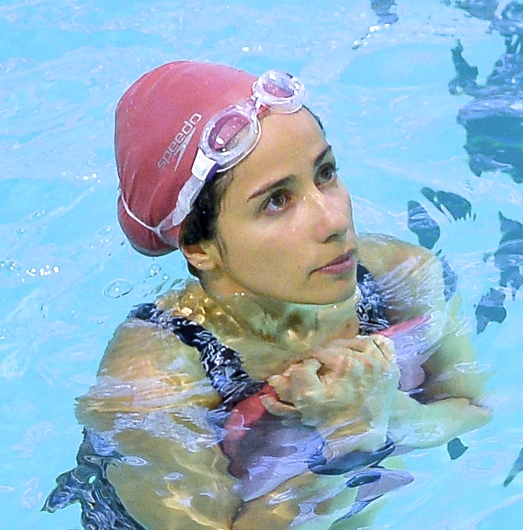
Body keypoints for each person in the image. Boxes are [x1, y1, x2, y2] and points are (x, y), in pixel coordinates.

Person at [44, 61, 490, 529]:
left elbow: (473, 409)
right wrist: (346, 441)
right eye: (276, 201)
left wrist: (389, 416)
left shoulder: (399, 274)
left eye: (325, 173)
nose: (335, 221)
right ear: (198, 248)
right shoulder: (152, 385)